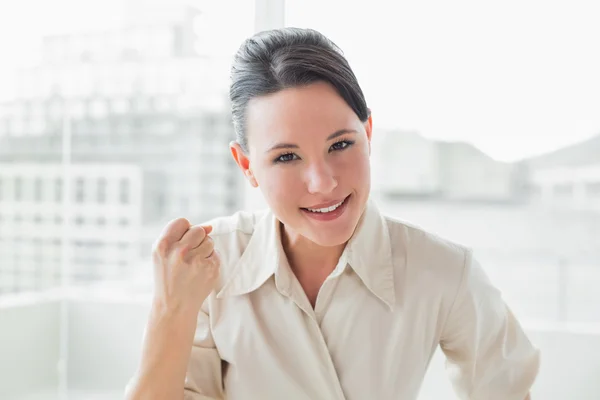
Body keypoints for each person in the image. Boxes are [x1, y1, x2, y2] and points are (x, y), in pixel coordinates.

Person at [125, 27, 540, 400]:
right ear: (247, 166)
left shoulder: (442, 271)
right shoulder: (210, 264)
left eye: (341, 145)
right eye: (287, 156)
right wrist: (169, 311)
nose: (322, 182)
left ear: (369, 134)